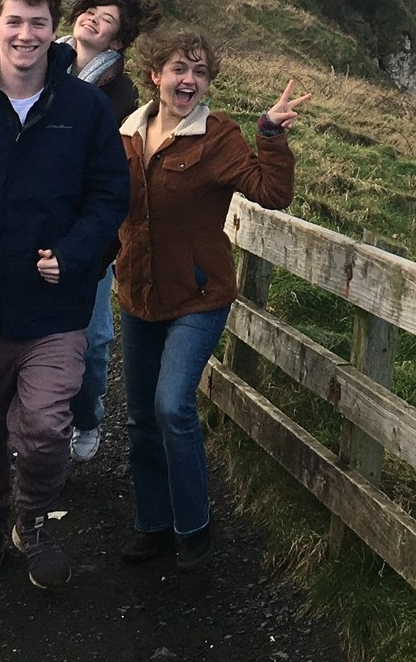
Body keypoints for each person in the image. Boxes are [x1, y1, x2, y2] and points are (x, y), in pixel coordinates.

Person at [0, 0, 129, 589]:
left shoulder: (87, 109)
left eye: (37, 21)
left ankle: (32, 520)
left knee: (45, 428)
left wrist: (72, 254)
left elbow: (108, 198)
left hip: (55, 307)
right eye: (13, 21)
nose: (25, 33)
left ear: (54, 29)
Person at [115, 31, 308, 572]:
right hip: (137, 292)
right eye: (180, 69)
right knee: (139, 418)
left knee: (171, 404)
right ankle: (152, 522)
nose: (189, 81)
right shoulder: (127, 132)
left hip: (199, 294)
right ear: (155, 75)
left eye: (200, 73)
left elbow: (271, 193)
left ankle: (194, 524)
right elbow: (113, 207)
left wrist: (270, 134)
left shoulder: (216, 135)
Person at [60, 0, 160, 463]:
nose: (93, 21)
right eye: (90, 13)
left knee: (94, 338)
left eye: (107, 21)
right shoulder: (41, 60)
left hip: (92, 234)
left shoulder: (122, 93)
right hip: (35, 219)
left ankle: (87, 414)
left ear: (118, 43)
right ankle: (43, 422)